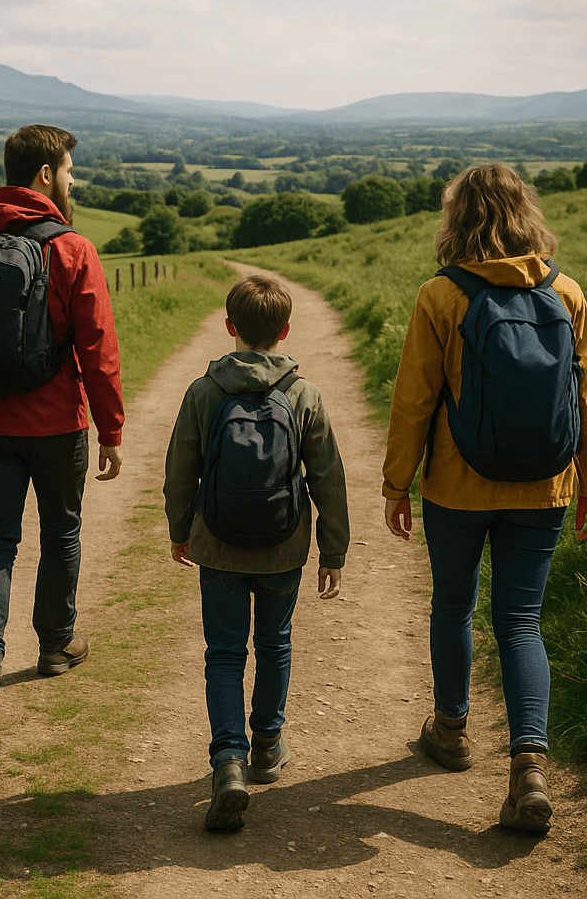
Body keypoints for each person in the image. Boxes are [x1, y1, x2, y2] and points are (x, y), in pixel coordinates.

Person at [382, 163, 587, 833]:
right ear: (525, 214)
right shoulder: (565, 292)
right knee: (520, 621)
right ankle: (530, 767)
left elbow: (414, 401)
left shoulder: (441, 296)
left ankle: (450, 730)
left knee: (453, 602)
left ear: (456, 221)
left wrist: (398, 483)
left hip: (457, 484)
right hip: (545, 486)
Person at [0, 124, 124, 725]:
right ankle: (54, 644)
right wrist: (110, 429)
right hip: (56, 423)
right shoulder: (72, 249)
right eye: (69, 170)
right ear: (45, 174)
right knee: (61, 532)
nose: (73, 180)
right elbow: (97, 347)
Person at [164, 275, 348, 832]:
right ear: (285, 331)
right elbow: (328, 478)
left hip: (217, 546)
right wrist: (332, 550)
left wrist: (181, 529)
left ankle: (228, 762)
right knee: (274, 643)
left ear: (229, 329)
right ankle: (267, 744)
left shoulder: (204, 391)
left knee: (223, 653)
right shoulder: (304, 394)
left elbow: (180, 471)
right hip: (284, 546)